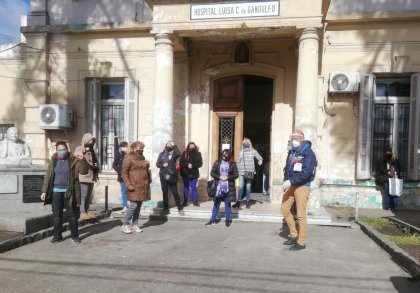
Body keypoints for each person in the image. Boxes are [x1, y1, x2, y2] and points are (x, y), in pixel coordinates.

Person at [40, 141, 89, 244]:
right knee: (57, 215)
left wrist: (82, 160)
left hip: (69, 192)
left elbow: (84, 171)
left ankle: (75, 236)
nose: (62, 152)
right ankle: (57, 236)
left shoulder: (74, 160)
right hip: (56, 192)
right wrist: (44, 191)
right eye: (60, 150)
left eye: (64, 149)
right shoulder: (53, 160)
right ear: (56, 151)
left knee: (72, 214)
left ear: (67, 149)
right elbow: (48, 176)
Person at [281, 130, 317, 251]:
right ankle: (294, 234)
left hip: (302, 185)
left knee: (301, 215)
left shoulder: (308, 153)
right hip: (291, 185)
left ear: (301, 138)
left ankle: (301, 242)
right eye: (292, 138)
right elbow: (287, 168)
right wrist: (286, 181)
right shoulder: (292, 152)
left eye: (295, 138)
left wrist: (291, 181)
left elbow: (306, 172)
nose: (293, 140)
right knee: (284, 209)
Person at [120, 141, 152, 234]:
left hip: (142, 186)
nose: (141, 149)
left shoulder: (142, 157)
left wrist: (147, 164)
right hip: (133, 186)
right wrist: (128, 184)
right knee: (133, 206)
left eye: (142, 147)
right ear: (133, 148)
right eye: (140, 147)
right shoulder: (128, 157)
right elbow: (124, 173)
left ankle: (135, 225)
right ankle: (124, 224)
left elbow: (144, 169)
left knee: (138, 206)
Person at [206, 149, 239, 227]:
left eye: (226, 154)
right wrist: (219, 177)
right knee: (216, 204)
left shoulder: (233, 164)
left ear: (229, 155)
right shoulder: (217, 163)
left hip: (228, 188)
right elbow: (212, 173)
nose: (224, 156)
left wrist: (227, 177)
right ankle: (212, 220)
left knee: (228, 205)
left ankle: (227, 220)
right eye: (223, 154)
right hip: (219, 188)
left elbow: (236, 175)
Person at [232, 138, 263, 209]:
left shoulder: (253, 151)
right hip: (241, 173)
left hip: (250, 172)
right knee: (241, 187)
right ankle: (238, 202)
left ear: (249, 143)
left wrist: (260, 161)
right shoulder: (241, 152)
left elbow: (260, 158)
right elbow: (238, 162)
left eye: (247, 143)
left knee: (248, 187)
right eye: (244, 143)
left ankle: (248, 201)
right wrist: (237, 170)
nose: (245, 144)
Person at [156, 141, 184, 216]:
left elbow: (179, 154)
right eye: (168, 144)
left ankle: (180, 208)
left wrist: (174, 145)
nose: (169, 145)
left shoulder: (173, 154)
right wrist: (162, 165)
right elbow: (157, 164)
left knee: (175, 192)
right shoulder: (161, 154)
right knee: (165, 193)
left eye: (170, 145)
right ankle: (165, 209)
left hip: (171, 175)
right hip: (163, 175)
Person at [78, 133, 99, 220]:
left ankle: (87, 211)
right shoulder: (79, 149)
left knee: (89, 194)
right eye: (90, 141)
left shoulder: (92, 150)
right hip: (84, 176)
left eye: (93, 141)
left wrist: (96, 167)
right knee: (84, 194)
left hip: (92, 176)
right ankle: (82, 211)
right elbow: (79, 160)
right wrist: (84, 152)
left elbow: (94, 160)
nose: (92, 142)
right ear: (86, 140)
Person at [179, 142, 203, 207]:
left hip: (194, 173)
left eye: (193, 146)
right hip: (185, 173)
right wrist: (187, 165)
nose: (192, 147)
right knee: (186, 187)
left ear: (195, 146)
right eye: (190, 146)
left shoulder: (198, 154)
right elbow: (181, 162)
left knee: (193, 187)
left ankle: (195, 201)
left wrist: (193, 166)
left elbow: (200, 163)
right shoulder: (185, 153)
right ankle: (185, 201)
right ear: (188, 146)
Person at [112, 141, 129, 213]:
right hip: (122, 176)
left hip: (130, 176)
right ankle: (125, 206)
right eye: (124, 147)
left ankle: (131, 205)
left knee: (131, 191)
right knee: (124, 191)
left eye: (126, 147)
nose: (125, 148)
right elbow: (114, 165)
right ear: (121, 147)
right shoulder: (118, 154)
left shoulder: (130, 154)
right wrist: (120, 172)